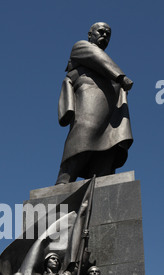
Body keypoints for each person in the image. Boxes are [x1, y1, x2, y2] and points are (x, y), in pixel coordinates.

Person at [56, 22, 133, 184]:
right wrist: (121, 77)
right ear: (90, 34)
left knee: (109, 146)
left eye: (108, 34)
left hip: (112, 108)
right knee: (83, 133)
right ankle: (64, 180)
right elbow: (96, 56)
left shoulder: (106, 64)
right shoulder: (81, 47)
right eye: (101, 31)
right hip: (89, 99)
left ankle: (100, 181)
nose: (104, 35)